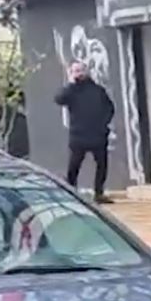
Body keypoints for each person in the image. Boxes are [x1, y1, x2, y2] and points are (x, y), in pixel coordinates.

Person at [55, 61, 115, 204]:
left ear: (86, 71)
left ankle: (99, 193)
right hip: (78, 135)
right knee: (74, 165)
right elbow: (59, 99)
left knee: (102, 164)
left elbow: (109, 108)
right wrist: (71, 83)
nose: (79, 73)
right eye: (76, 70)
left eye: (81, 70)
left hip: (98, 134)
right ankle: (71, 191)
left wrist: (103, 124)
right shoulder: (71, 91)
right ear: (71, 73)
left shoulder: (97, 90)